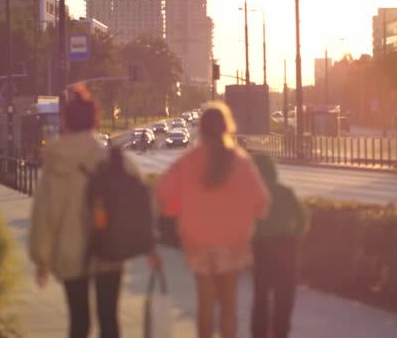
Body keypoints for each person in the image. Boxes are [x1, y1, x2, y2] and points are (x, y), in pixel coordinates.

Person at [28, 86, 159, 338]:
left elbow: (43, 213)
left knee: (79, 322)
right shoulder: (113, 159)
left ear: (65, 121)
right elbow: (140, 201)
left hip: (70, 251)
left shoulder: (55, 162)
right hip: (108, 248)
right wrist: (149, 246)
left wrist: (41, 258)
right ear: (95, 120)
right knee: (109, 319)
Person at [156, 101, 270, 338]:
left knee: (205, 307)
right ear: (227, 128)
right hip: (232, 243)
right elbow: (261, 204)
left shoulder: (188, 162)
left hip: (198, 243)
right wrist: (242, 217)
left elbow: (163, 196)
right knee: (228, 307)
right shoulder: (241, 162)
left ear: (202, 129)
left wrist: (179, 210)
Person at [250, 154, 310, 338]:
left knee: (261, 294)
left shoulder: (252, 195)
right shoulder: (286, 192)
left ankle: (259, 333)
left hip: (261, 248)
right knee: (284, 295)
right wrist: (296, 236)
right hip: (286, 247)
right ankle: (280, 332)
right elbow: (303, 217)